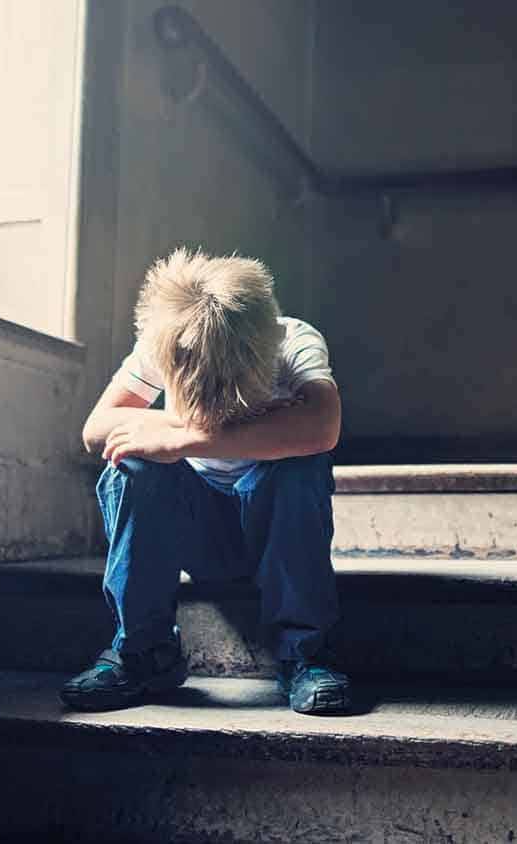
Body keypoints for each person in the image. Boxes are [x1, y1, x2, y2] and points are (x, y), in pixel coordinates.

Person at [62, 248, 348, 715]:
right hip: (201, 535)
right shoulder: (168, 339)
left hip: (271, 533)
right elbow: (97, 430)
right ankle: (143, 653)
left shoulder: (292, 340)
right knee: (131, 463)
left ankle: (305, 654)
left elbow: (322, 428)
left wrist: (183, 437)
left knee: (303, 463)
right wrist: (203, 437)